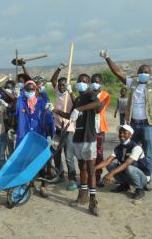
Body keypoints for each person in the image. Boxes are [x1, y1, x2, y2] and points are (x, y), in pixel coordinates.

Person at [101, 47, 152, 179]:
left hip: (148, 125)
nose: (144, 74)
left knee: (148, 152)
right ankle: (126, 178)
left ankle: (147, 177)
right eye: (141, 72)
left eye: (146, 72)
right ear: (137, 73)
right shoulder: (131, 84)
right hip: (133, 125)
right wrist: (107, 58)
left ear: (150, 74)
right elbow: (118, 72)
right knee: (128, 151)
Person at [54, 73, 100, 216]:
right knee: (82, 168)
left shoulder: (90, 95)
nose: (81, 83)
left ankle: (93, 200)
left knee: (91, 170)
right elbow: (71, 115)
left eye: (84, 81)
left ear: (88, 83)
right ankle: (82, 196)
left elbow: (98, 104)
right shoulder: (79, 98)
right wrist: (57, 111)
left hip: (88, 137)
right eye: (79, 81)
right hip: (78, 137)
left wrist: (78, 109)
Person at [14, 80, 53, 197]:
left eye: (32, 89)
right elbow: (16, 112)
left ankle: (43, 185)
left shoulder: (42, 102)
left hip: (39, 136)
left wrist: (50, 134)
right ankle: (29, 184)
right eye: (27, 89)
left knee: (42, 161)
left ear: (36, 90)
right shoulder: (21, 102)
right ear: (23, 90)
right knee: (25, 161)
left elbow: (49, 118)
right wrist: (17, 95)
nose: (29, 91)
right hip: (24, 137)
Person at [95, 125, 150, 200]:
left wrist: (111, 173)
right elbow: (107, 161)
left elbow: (126, 163)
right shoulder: (119, 148)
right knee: (110, 165)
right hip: (129, 174)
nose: (121, 134)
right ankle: (124, 185)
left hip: (142, 177)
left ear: (131, 135)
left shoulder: (136, 147)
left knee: (129, 168)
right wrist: (93, 169)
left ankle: (140, 189)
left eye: (125, 132)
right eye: (120, 132)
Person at [50, 63, 78, 190]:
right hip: (57, 128)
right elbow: (53, 80)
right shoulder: (57, 93)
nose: (62, 87)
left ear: (67, 86)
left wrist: (70, 91)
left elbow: (76, 104)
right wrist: (59, 68)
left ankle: (72, 179)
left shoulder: (70, 96)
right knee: (56, 153)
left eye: (64, 85)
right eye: (60, 85)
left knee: (68, 155)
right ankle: (60, 174)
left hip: (69, 129)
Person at [91, 73, 110, 187]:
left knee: (99, 154)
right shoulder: (88, 94)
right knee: (89, 153)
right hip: (89, 129)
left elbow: (98, 109)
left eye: (97, 82)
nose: (95, 83)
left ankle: (97, 176)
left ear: (101, 83)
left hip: (99, 129)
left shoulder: (105, 95)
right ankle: (89, 175)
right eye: (93, 81)